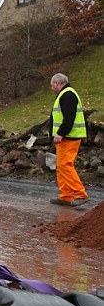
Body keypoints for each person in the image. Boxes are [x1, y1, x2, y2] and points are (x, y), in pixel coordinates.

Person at [48, 73, 88, 207]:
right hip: (67, 137)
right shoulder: (66, 94)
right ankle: (66, 195)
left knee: (65, 165)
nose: (52, 88)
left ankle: (80, 194)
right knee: (61, 166)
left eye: (52, 85)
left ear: (56, 83)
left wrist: (60, 133)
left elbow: (68, 118)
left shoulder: (67, 95)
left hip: (69, 137)